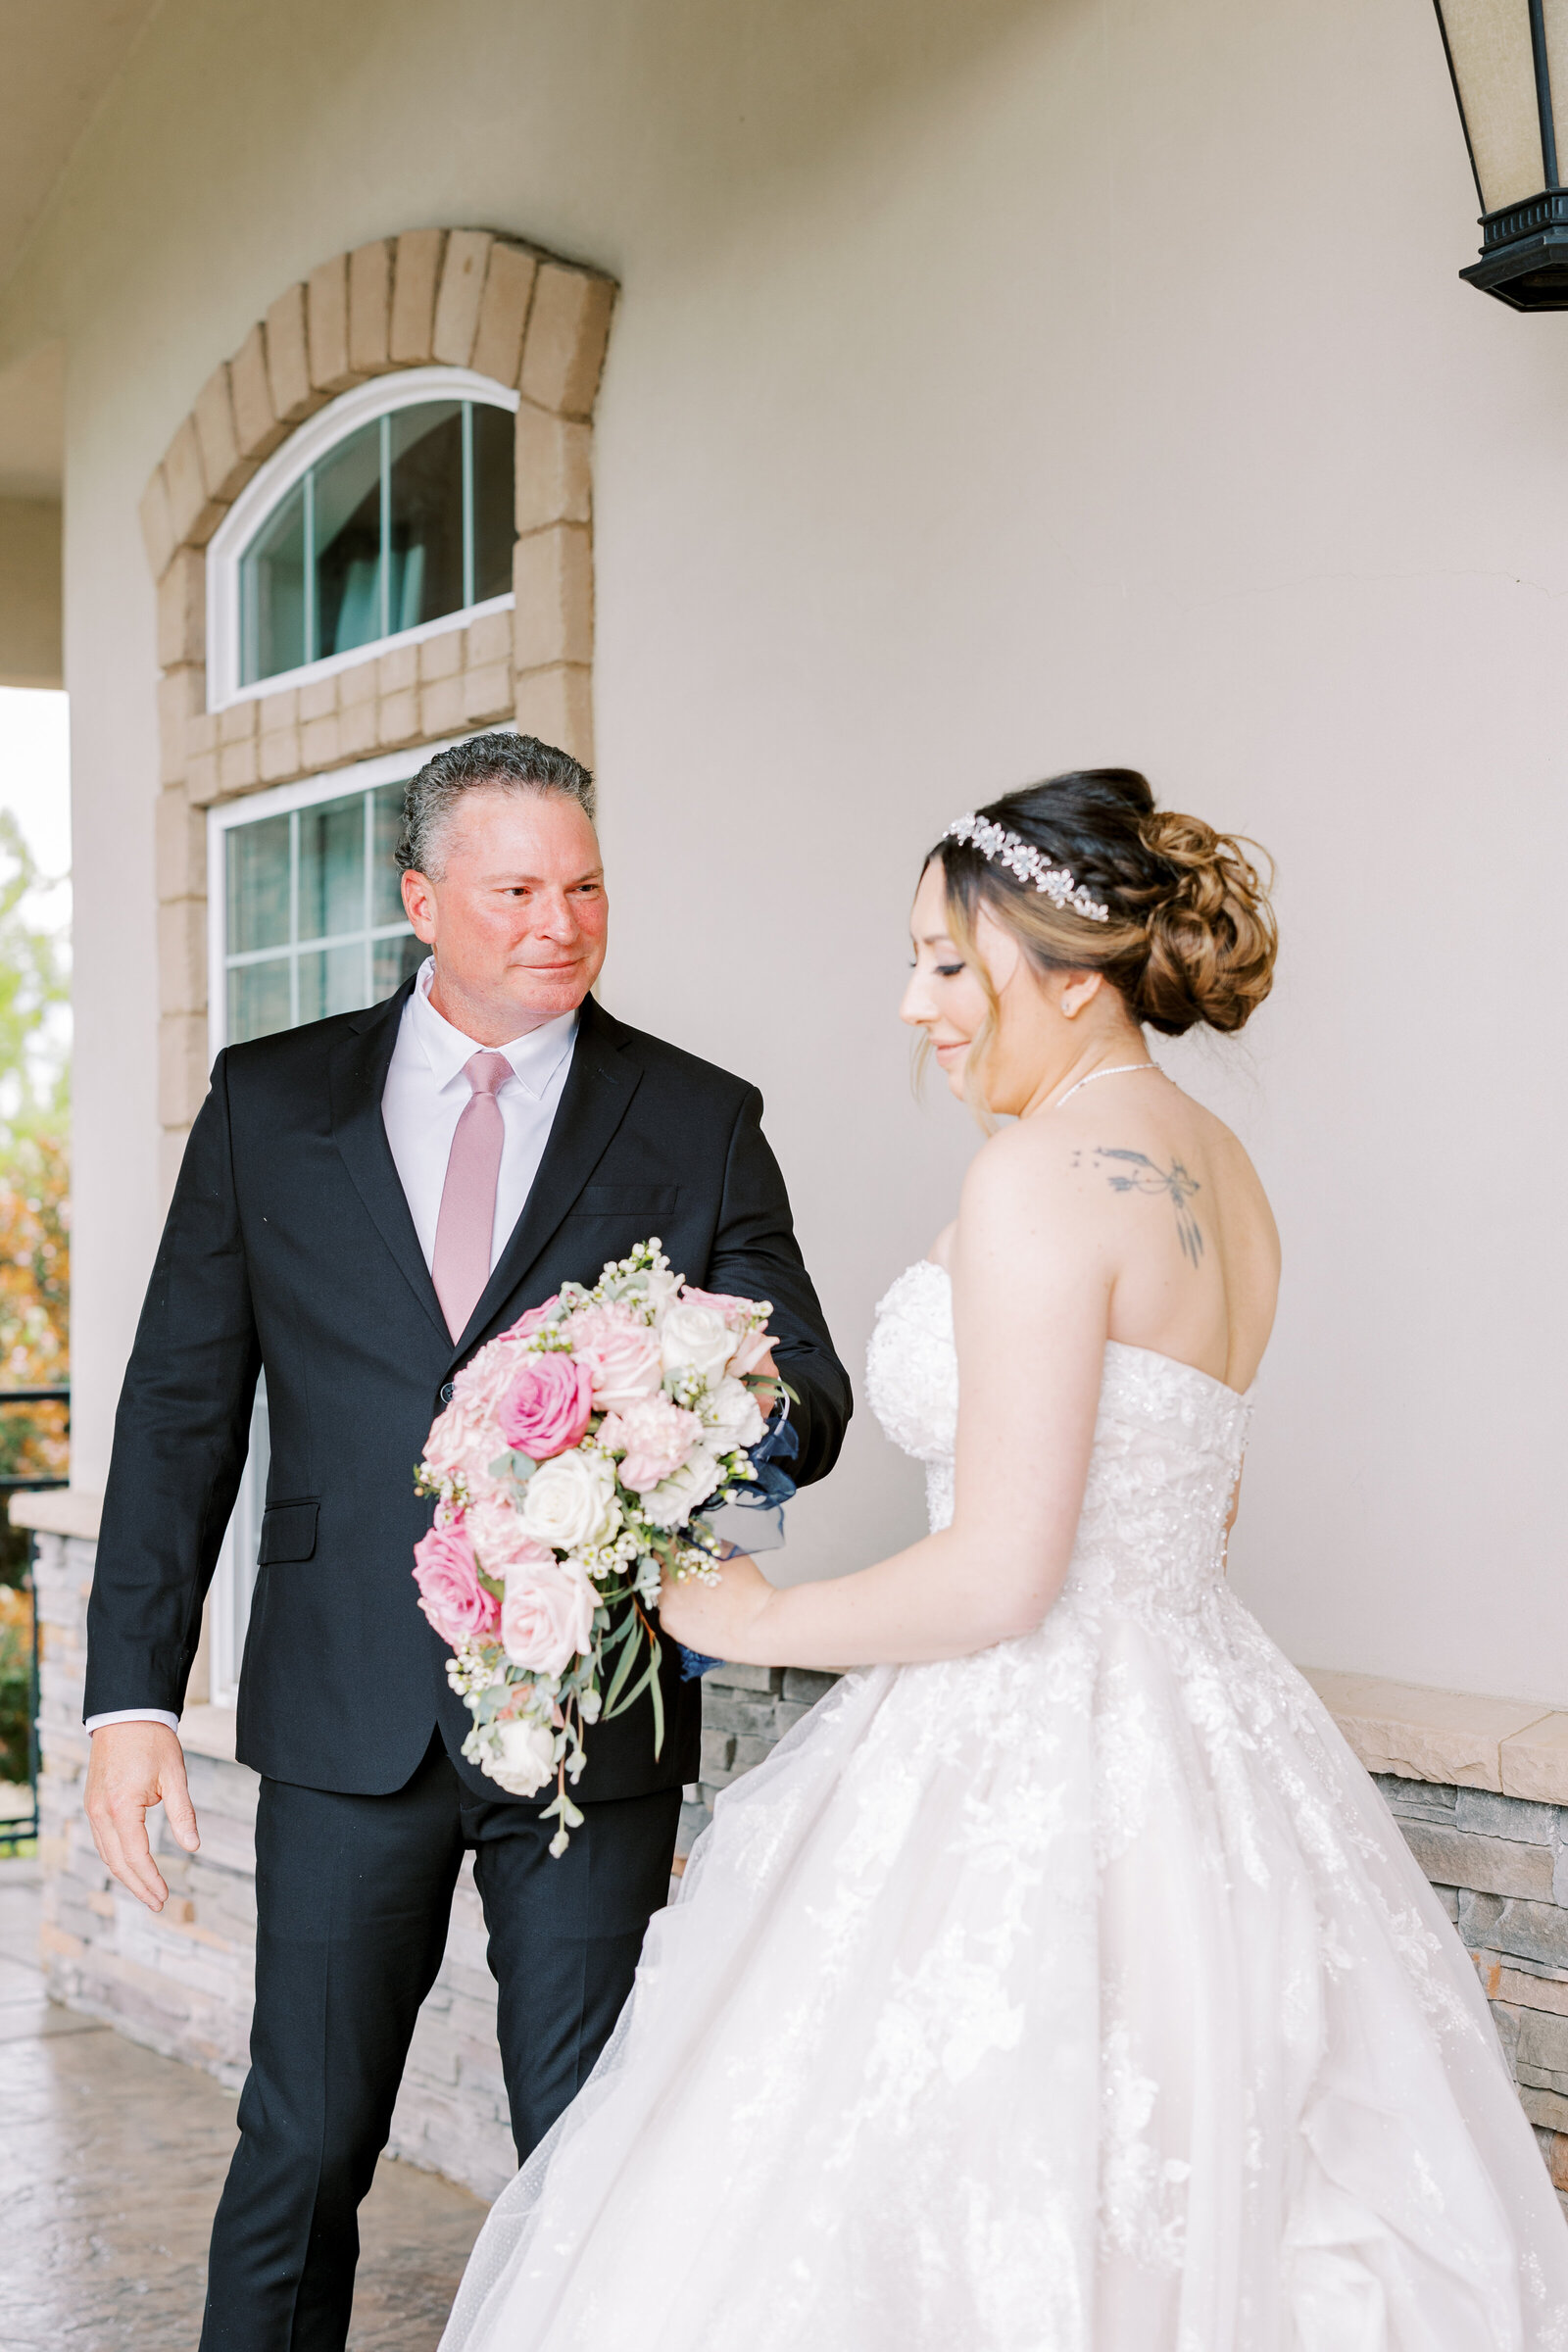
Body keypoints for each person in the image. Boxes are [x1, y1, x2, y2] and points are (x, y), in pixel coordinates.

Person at [440, 768, 1568, 2351]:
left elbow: (1004, 1578)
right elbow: (1190, 1511)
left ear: (1075, 973)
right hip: (1210, 1732)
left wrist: (758, 1614)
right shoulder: (1222, 1174)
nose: (916, 1006)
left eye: (949, 965)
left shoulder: (1040, 1177)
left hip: (1026, 1745)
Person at [80, 731, 852, 2352]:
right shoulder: (271, 1101)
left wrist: (690, 1418)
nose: (558, 922)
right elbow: (177, 1412)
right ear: (423, 899)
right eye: (514, 889)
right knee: (301, 2145)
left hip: (595, 1723)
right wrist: (129, 1700)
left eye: (585, 888)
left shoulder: (698, 1117)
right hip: (345, 1712)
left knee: (592, 2151)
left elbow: (810, 1396)